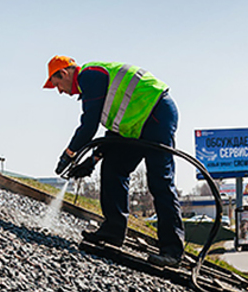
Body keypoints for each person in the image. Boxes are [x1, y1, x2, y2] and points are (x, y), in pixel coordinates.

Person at [44, 55, 184, 267]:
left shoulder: (89, 76)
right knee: (113, 168)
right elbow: (114, 132)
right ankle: (113, 231)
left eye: (58, 85)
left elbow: (89, 125)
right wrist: (93, 159)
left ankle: (172, 252)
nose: (60, 91)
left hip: (156, 114)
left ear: (64, 73)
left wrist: (69, 154)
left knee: (160, 181)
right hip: (135, 124)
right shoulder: (96, 84)